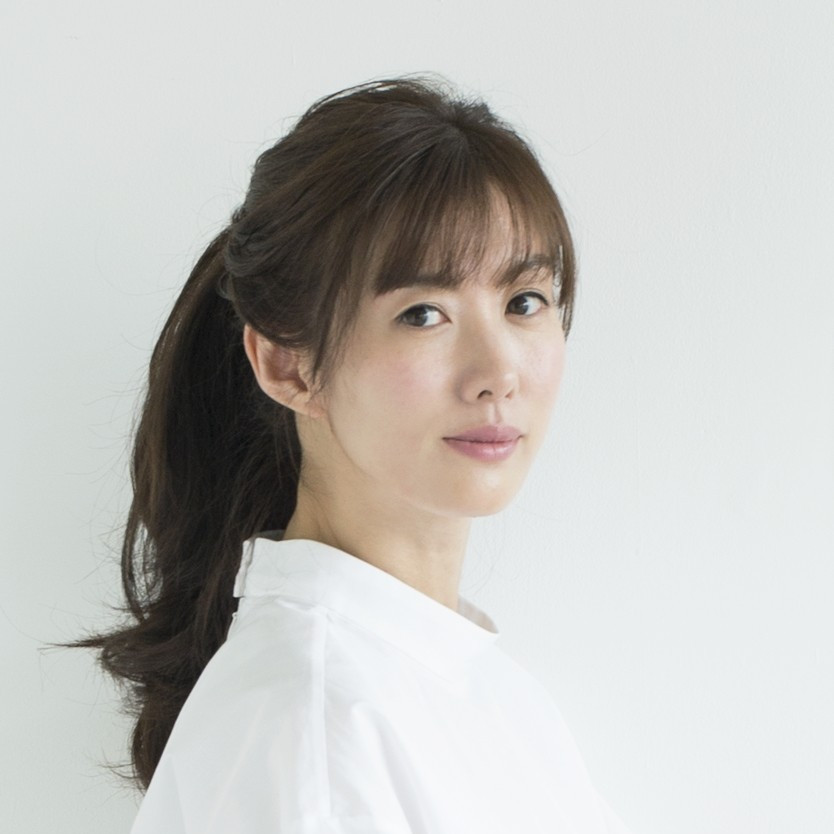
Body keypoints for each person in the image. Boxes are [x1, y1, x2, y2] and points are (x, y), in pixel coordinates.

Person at [68, 74, 633, 833]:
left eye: (523, 302)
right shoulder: (313, 731)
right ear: (288, 366)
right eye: (423, 313)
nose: (499, 372)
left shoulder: (478, 688)